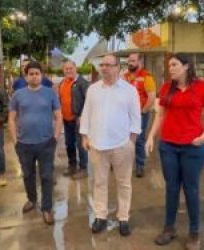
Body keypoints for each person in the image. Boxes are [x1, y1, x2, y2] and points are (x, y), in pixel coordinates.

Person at [145, 53, 204, 250]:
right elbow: (160, 115)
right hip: (168, 145)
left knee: (191, 189)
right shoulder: (167, 87)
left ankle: (194, 233)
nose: (171, 68)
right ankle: (169, 228)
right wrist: (151, 136)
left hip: (193, 147)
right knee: (171, 188)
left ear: (186, 66)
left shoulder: (202, 87)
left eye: (175, 65)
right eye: (169, 65)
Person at [80, 55, 141, 236]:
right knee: (99, 183)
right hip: (97, 145)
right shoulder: (93, 89)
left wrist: (132, 141)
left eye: (108, 65)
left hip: (122, 144)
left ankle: (123, 218)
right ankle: (101, 216)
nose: (104, 68)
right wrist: (84, 136)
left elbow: (136, 118)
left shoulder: (129, 90)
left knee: (124, 183)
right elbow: (86, 113)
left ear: (118, 67)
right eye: (102, 65)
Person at [9, 61, 62, 225]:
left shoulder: (50, 93)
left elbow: (58, 116)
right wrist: (15, 140)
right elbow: (11, 118)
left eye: (37, 73)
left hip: (46, 142)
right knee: (27, 174)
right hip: (24, 143)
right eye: (30, 74)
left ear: (41, 75)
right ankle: (32, 199)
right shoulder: (18, 94)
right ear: (26, 76)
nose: (34, 76)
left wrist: (55, 137)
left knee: (46, 176)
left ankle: (47, 208)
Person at [124, 53, 156, 178]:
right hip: (125, 115)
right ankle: (124, 165)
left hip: (140, 114)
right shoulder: (125, 77)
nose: (130, 63)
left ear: (139, 62)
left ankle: (140, 166)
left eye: (133, 61)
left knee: (139, 140)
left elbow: (152, 97)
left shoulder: (146, 77)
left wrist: (143, 111)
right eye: (129, 61)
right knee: (125, 139)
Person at [58, 60, 90, 180]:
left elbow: (89, 102)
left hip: (78, 120)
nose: (68, 70)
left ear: (75, 68)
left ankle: (83, 168)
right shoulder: (62, 83)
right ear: (63, 70)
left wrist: (82, 116)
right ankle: (72, 166)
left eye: (71, 68)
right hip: (66, 120)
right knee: (69, 143)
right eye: (66, 69)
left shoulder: (83, 83)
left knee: (81, 145)